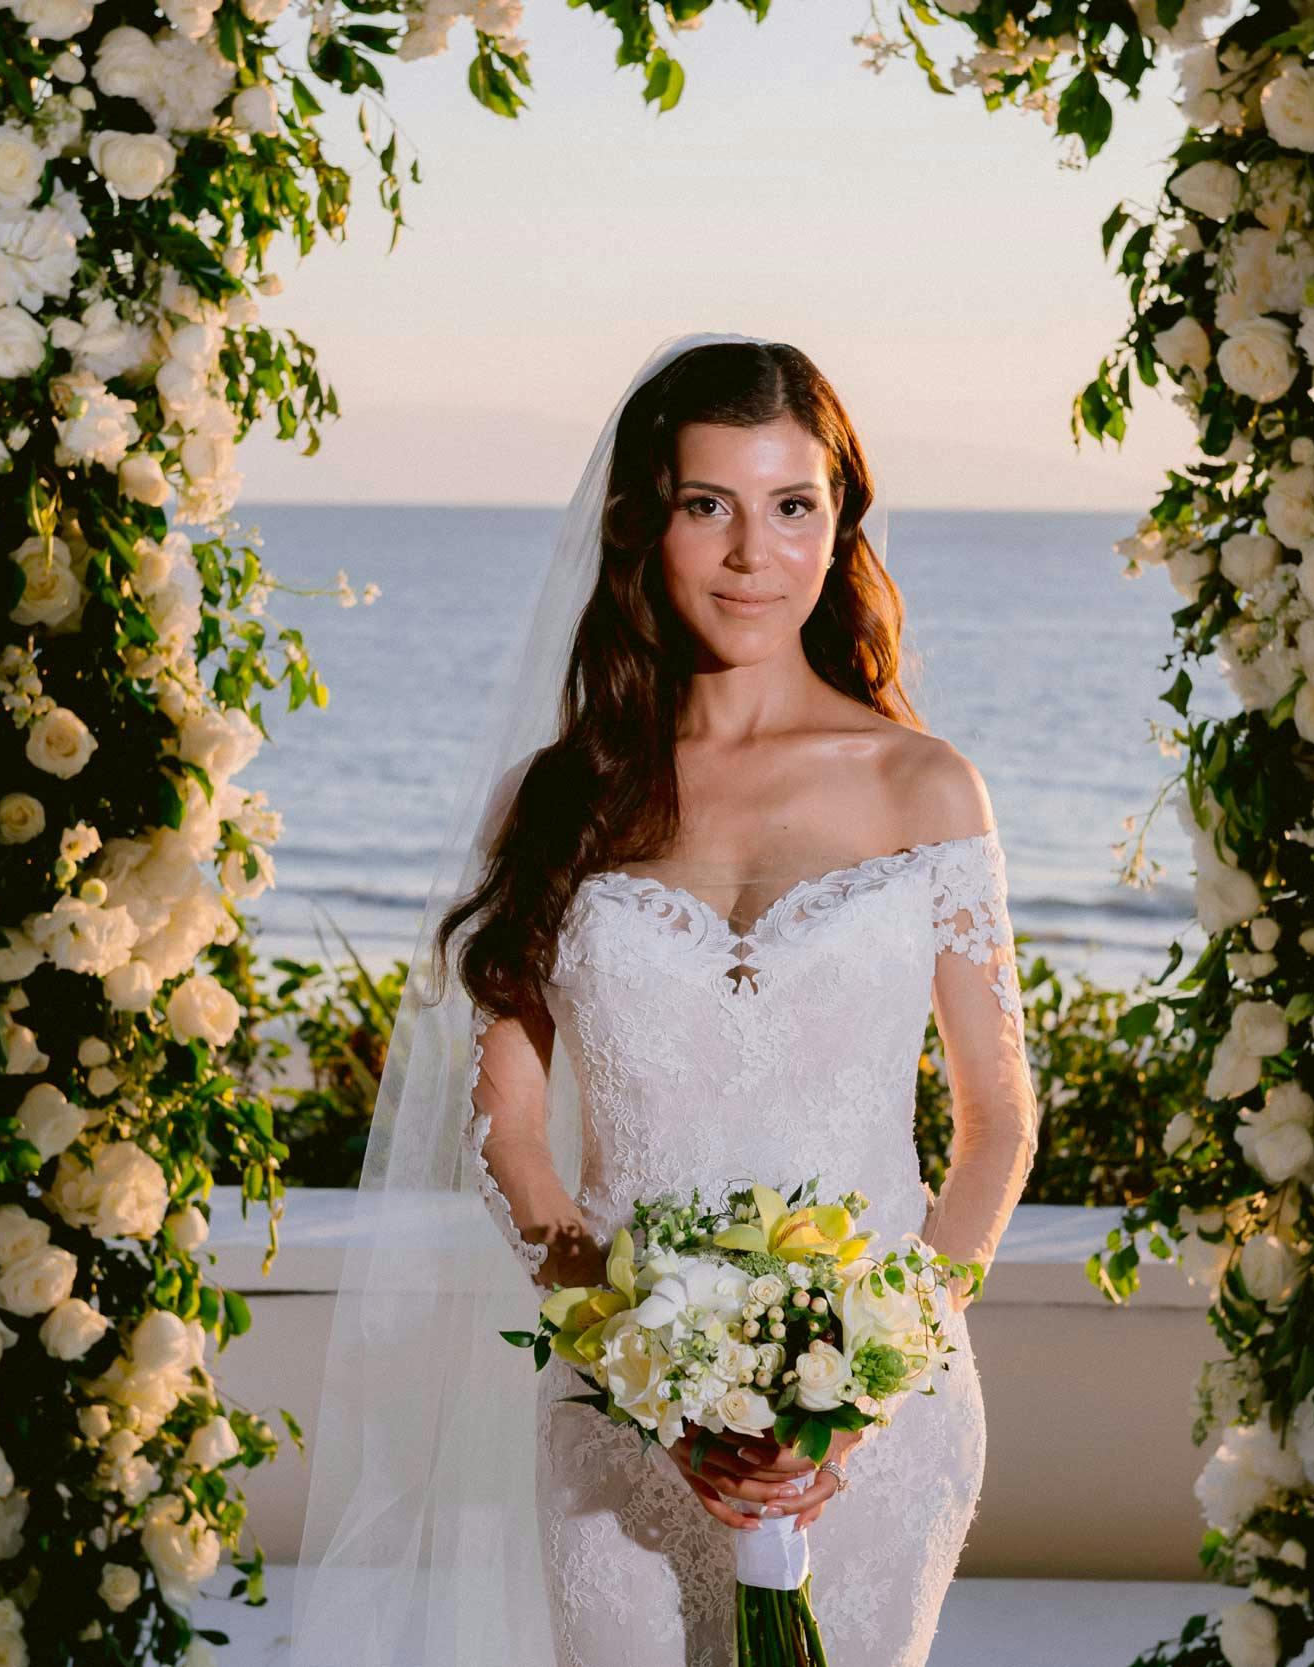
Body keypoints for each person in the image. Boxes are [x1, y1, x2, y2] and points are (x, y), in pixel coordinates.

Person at [293, 332, 1040, 1667]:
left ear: (839, 526)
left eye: (793, 506)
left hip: (882, 1425)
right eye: (710, 507)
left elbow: (998, 1127)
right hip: (621, 1421)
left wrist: (859, 1393)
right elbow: (509, 1136)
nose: (756, 554)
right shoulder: (562, 802)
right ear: (649, 529)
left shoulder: (925, 788)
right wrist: (644, 1375)